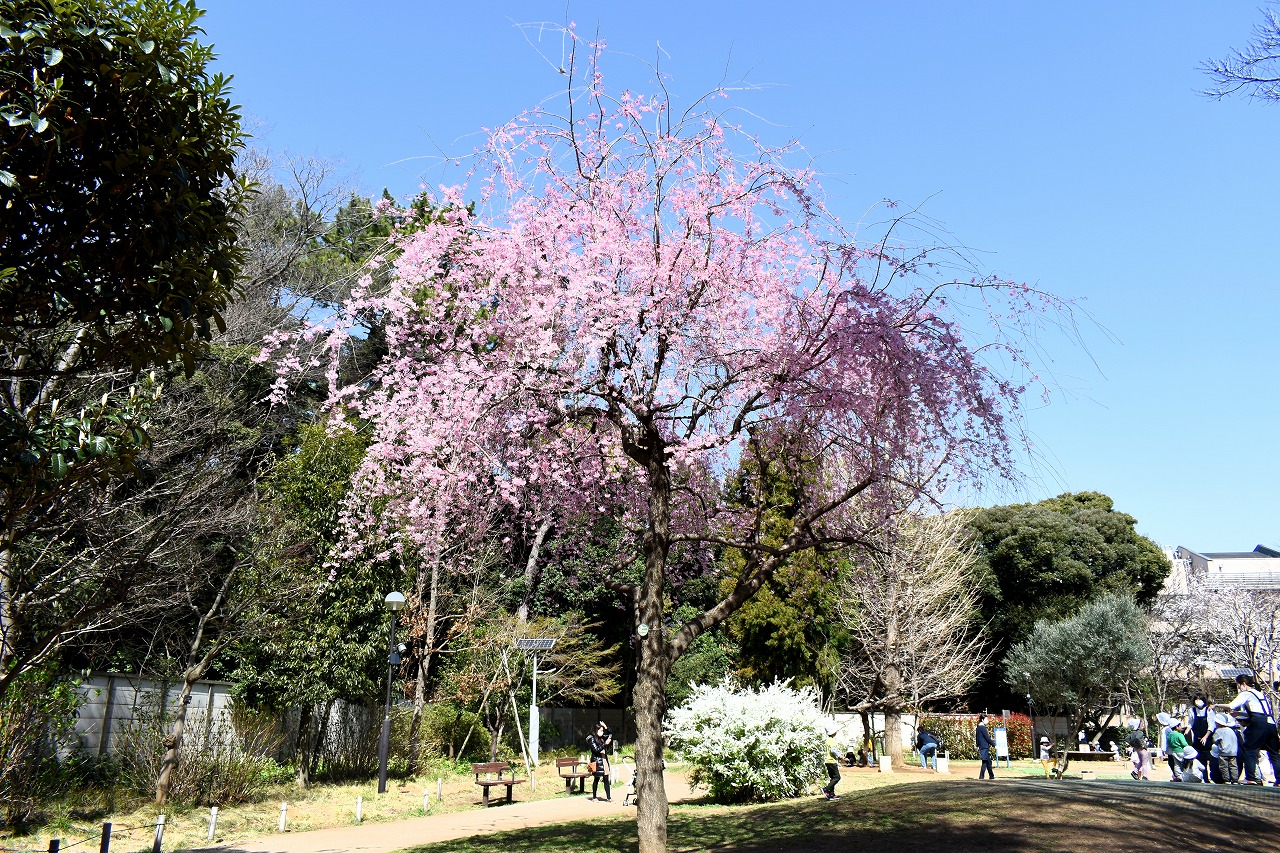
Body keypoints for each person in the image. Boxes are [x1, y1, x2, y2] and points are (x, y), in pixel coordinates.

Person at [1219, 673, 1278, 785]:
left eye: (1238, 685)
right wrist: (1239, 714)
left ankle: (1250, 778)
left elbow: (1231, 706)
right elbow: (1259, 712)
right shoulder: (1261, 694)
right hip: (1271, 723)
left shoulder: (1246, 693)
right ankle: (1279, 780)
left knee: (1250, 749)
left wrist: (1216, 705)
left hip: (1258, 723)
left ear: (1243, 684)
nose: (1239, 688)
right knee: (1274, 753)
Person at [587, 721, 613, 801]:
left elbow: (610, 735)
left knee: (606, 778)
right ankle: (594, 797)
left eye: (603, 730)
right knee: (596, 779)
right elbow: (596, 750)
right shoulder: (591, 739)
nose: (602, 732)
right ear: (596, 730)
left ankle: (609, 798)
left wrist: (606, 727)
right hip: (597, 761)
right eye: (601, 730)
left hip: (604, 759)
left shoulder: (602, 737)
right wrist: (605, 744)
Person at [1212, 711, 1240, 784]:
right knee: (1233, 766)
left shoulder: (1219, 731)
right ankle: (1235, 780)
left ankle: (1226, 780)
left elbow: (1215, 740)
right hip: (1233, 752)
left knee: (1224, 766)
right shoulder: (1231, 730)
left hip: (1224, 752)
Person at [821, 725, 841, 799]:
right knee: (837, 777)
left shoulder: (828, 740)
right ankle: (826, 789)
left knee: (833, 778)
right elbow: (833, 750)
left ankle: (831, 794)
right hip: (831, 761)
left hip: (828, 761)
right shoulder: (831, 740)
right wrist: (840, 756)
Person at [976, 714, 995, 780]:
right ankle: (982, 777)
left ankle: (991, 776)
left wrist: (977, 745)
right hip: (984, 746)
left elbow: (977, 738)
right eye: (986, 719)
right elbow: (987, 738)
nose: (987, 721)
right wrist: (994, 745)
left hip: (982, 746)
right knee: (985, 762)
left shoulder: (978, 727)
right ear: (982, 720)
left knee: (988, 762)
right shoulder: (983, 728)